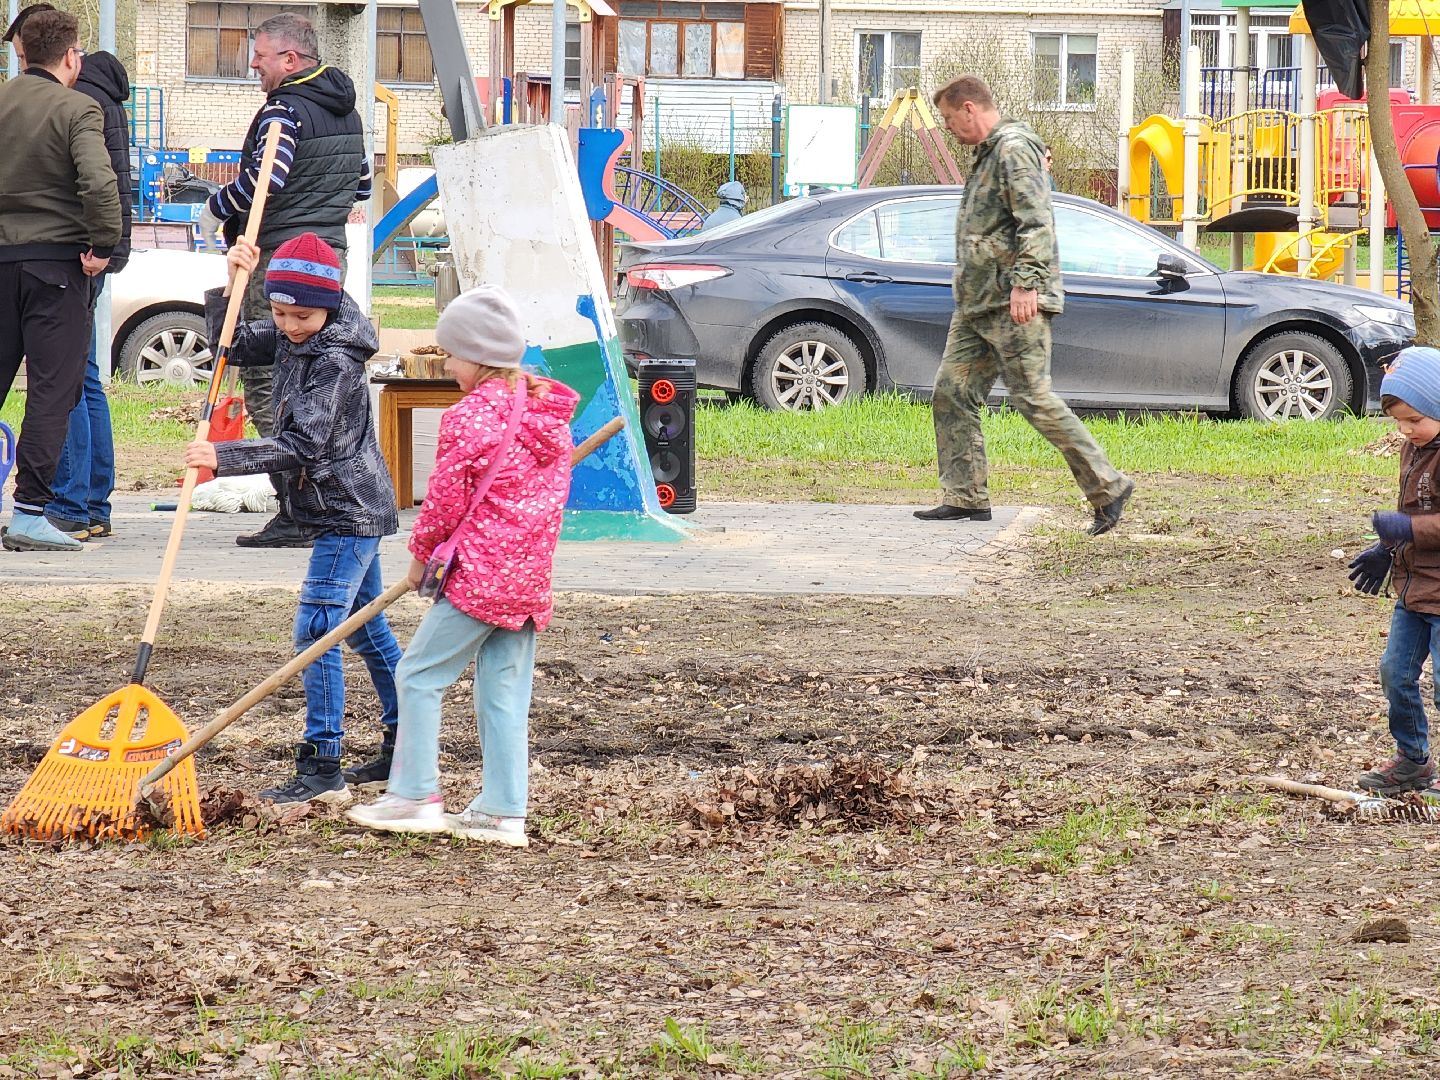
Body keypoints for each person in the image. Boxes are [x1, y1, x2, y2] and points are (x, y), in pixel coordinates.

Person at [346, 286, 579, 847]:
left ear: (477, 356)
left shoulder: (470, 418)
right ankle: (503, 811)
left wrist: (420, 559)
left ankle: (414, 795)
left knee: (419, 674)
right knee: (503, 691)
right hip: (527, 577)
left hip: (480, 575)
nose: (448, 365)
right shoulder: (546, 413)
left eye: (452, 355)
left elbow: (444, 504)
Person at [183, 232, 402, 805]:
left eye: (300, 314)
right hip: (336, 507)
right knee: (366, 630)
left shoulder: (334, 359)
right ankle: (408, 742)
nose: (288, 326)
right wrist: (232, 283)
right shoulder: (294, 335)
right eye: (279, 312)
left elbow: (303, 444)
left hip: (346, 510)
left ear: (329, 305)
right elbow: (230, 343)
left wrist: (222, 458)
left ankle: (322, 764)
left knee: (317, 632)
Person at [916, 75, 1131, 536]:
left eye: (951, 120)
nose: (950, 129)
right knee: (951, 393)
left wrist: (1026, 284)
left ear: (970, 108)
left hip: (1014, 300)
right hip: (978, 304)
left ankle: (1107, 487)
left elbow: (1036, 221)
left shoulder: (1012, 148)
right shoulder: (993, 151)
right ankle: (965, 497)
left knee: (1032, 397)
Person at [197, 11, 372, 549]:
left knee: (268, 376)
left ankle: (298, 508)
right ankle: (322, 498)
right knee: (323, 374)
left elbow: (263, 183)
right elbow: (362, 186)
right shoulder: (347, 110)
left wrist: (214, 208)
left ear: (290, 60)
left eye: (261, 56)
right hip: (328, 254)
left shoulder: (284, 111)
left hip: (278, 256)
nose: (254, 66)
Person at [0, 9, 120, 553]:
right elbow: (98, 182)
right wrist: (104, 243)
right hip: (57, 268)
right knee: (53, 391)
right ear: (72, 56)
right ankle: (28, 513)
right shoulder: (79, 107)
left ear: (21, 54)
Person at [47, 48, 135, 541]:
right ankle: (94, 502)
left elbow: (94, 183)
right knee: (85, 375)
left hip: (77, 251)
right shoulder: (107, 98)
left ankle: (70, 503)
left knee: (67, 378)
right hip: (97, 250)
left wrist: (99, 244)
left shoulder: (78, 100)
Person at [1348, 345, 1440, 795]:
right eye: (1399, 422)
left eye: (1415, 420)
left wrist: (1406, 527)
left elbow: (1419, 518)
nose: (1406, 431)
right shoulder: (1414, 449)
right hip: (1413, 590)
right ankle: (1413, 760)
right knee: (1396, 675)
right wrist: (1386, 546)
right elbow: (1414, 510)